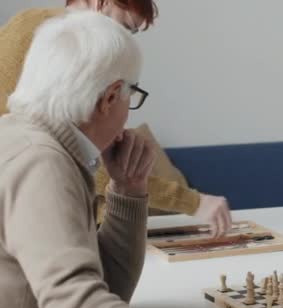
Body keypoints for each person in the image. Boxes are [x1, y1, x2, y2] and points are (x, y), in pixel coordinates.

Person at [0, 10, 170, 308]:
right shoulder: (39, 163)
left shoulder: (21, 138)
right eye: (132, 96)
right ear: (109, 97)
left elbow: (107, 291)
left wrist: (128, 190)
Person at [0, 0, 231, 237]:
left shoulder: (72, 45)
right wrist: (191, 202)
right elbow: (76, 158)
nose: (124, 40)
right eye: (125, 26)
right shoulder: (50, 35)